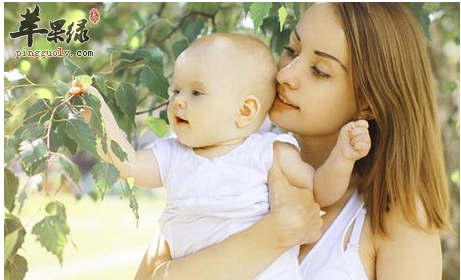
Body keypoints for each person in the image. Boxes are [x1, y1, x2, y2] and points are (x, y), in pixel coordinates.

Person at [132, 3, 452, 280]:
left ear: (368, 101)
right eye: (292, 50)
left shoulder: (396, 218)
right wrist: (272, 235)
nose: (285, 74)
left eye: (319, 70)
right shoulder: (223, 167)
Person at [77, 32, 370, 279]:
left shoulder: (267, 152)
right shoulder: (172, 155)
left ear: (244, 111)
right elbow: (127, 162)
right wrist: (96, 113)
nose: (178, 100)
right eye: (176, 89)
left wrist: (343, 157)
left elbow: (322, 189)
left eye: (196, 93)